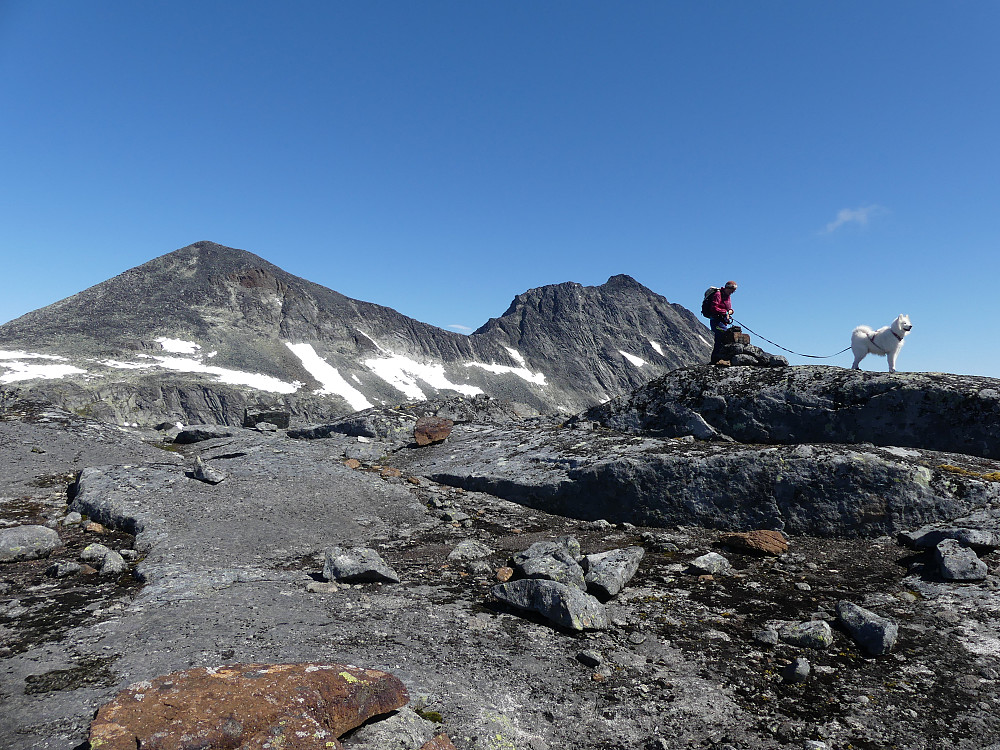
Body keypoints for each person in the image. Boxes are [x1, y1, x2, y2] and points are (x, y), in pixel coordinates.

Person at [707, 280, 738, 364]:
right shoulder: (718, 295)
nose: (732, 292)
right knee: (721, 337)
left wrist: (730, 311)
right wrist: (725, 312)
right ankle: (715, 360)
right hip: (716, 321)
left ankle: (719, 359)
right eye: (732, 290)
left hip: (723, 321)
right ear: (728, 288)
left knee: (722, 338)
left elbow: (728, 308)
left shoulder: (727, 296)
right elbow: (714, 308)